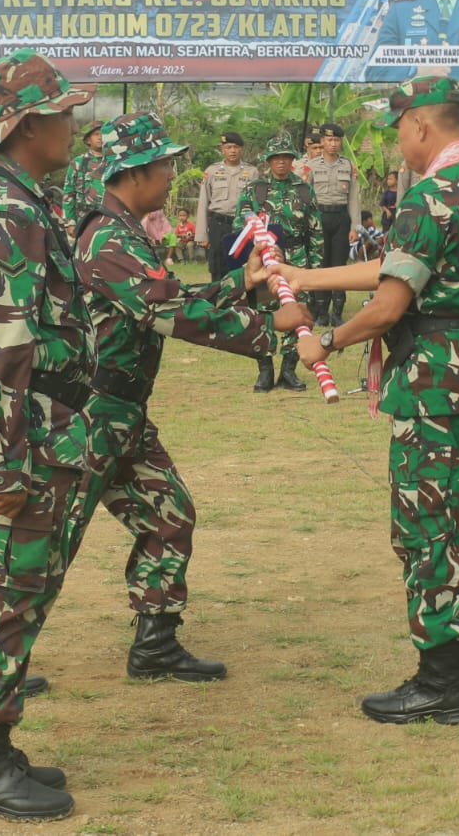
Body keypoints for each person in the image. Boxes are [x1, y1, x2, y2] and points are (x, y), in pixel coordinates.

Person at [286, 76, 459, 725]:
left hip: (438, 388)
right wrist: (307, 275)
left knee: (429, 532)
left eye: (399, 131)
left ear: (419, 126)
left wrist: (325, 340)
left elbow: (390, 302)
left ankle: (440, 682)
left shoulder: (429, 195)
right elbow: (404, 263)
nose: (399, 144)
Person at [74, 112, 305, 687]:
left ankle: (156, 644)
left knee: (168, 514)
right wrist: (269, 327)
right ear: (135, 172)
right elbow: (166, 311)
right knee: (47, 541)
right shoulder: (108, 237)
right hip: (88, 416)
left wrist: (241, 283)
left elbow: (170, 294)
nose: (171, 177)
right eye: (164, 167)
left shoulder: (128, 231)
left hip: (123, 413)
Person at [0, 49, 94, 823]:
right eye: (64, 113)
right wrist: (4, 460)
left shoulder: (21, 198)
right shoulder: (6, 208)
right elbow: (1, 348)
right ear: (29, 125)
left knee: (19, 588)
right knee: (6, 592)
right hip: (17, 430)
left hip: (37, 425)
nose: (74, 126)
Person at [234, 132, 323, 392]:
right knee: (264, 314)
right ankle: (265, 370)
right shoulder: (255, 189)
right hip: (265, 260)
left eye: (285, 157)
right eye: (276, 158)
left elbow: (316, 231)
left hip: (296, 259)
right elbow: (239, 224)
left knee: (298, 313)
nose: (281, 162)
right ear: (268, 161)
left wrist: (315, 268)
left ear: (292, 159)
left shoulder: (304, 190)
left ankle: (288, 370)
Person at [304, 122, 360, 326]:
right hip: (319, 218)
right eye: (329, 140)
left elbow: (353, 198)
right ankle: (321, 312)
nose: (333, 144)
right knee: (320, 264)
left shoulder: (348, 165)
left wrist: (355, 226)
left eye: (337, 140)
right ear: (323, 141)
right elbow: (305, 196)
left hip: (340, 219)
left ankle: (337, 311)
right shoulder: (312, 166)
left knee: (338, 265)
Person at [193, 131, 259, 283]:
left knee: (244, 265)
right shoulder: (212, 171)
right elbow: (203, 202)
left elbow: (257, 204)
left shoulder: (252, 172)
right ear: (222, 150)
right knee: (217, 267)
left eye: (236, 147)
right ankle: (218, 296)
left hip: (243, 226)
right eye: (228, 147)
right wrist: (201, 235)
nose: (232, 151)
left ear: (241, 149)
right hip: (218, 225)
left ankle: (242, 297)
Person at [61, 120, 107, 231]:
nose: (100, 137)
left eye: (103, 134)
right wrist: (70, 222)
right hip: (85, 221)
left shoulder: (114, 162)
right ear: (88, 140)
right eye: (96, 134)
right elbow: (69, 192)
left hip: (110, 220)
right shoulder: (78, 163)